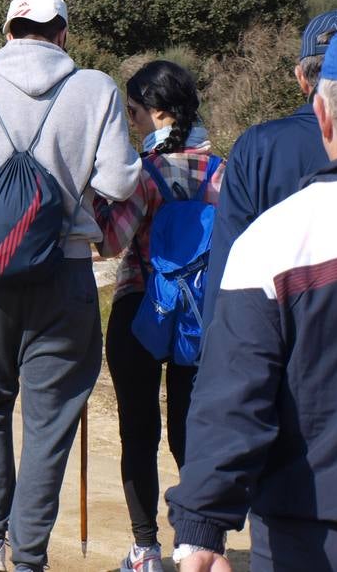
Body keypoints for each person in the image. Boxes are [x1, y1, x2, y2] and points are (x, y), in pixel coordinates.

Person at [167, 26, 337, 572]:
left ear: (322, 116)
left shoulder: (273, 242)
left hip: (311, 536)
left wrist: (201, 526)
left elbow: (236, 393)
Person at [0, 0, 141, 572]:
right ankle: (29, 557)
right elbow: (120, 182)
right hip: (68, 272)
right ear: (63, 35)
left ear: (7, 33)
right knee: (50, 420)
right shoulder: (95, 87)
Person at [92, 61, 225, 572]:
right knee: (191, 430)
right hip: (199, 315)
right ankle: (194, 542)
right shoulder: (222, 171)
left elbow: (111, 242)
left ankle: (145, 549)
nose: (131, 121)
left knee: (138, 430)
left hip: (140, 307)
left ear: (158, 111)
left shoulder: (141, 175)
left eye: (134, 111)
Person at [204, 8, 337, 325]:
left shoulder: (257, 147)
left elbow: (228, 261)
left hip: (281, 341)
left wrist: (213, 361)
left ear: (301, 77)